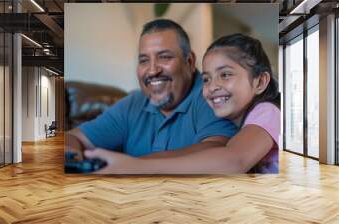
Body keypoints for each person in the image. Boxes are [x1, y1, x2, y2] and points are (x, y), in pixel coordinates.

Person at [84, 33, 281, 174]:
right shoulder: (238, 122)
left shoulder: (267, 112)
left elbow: (234, 160)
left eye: (225, 74)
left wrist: (134, 166)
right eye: (206, 79)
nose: (212, 87)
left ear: (260, 82)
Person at [66, 19, 237, 160]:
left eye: (164, 57)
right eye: (144, 60)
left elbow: (216, 151)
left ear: (190, 62)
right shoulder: (133, 103)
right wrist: (73, 162)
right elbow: (71, 138)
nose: (153, 70)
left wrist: (130, 167)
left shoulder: (211, 94)